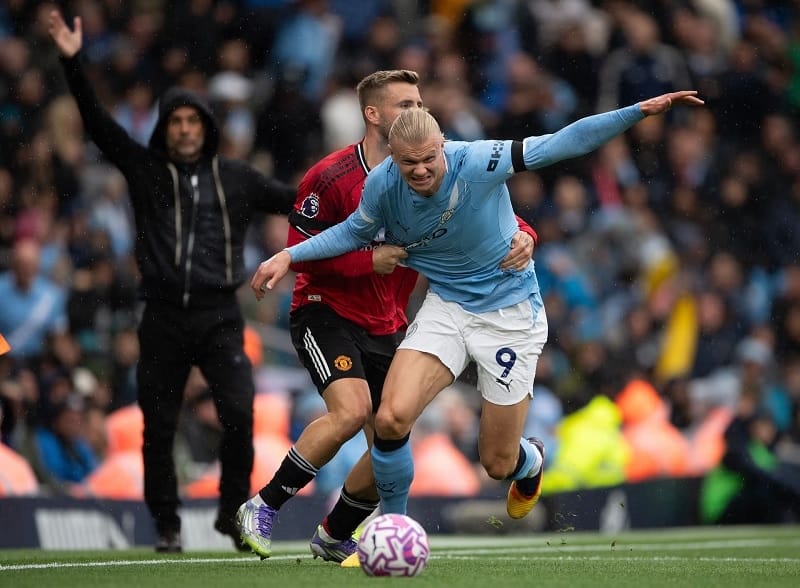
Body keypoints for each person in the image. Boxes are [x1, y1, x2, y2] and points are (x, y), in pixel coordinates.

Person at [249, 91, 705, 524]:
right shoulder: (383, 185)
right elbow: (350, 233)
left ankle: (530, 461)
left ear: (443, 145)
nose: (423, 170)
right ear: (393, 157)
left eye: (430, 158)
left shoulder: (479, 160)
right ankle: (392, 528)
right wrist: (290, 255)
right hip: (446, 306)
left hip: (509, 314)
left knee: (497, 461)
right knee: (389, 417)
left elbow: (561, 143)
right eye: (410, 163)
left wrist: (636, 112)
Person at [236, 69, 538, 562]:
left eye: (419, 103)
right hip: (324, 311)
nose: (415, 112)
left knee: (390, 440)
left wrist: (526, 233)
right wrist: (365, 261)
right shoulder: (330, 177)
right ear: (372, 114)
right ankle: (263, 507)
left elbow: (485, 212)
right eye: (404, 104)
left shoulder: (434, 164)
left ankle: (335, 534)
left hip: (389, 321)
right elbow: (298, 252)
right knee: (352, 410)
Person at [47, 10, 296, 553]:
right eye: (176, 120)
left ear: (206, 128)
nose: (185, 128)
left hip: (219, 317)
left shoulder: (236, 178)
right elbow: (97, 125)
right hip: (160, 315)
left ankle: (232, 513)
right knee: (156, 427)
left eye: (193, 120)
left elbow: (301, 201)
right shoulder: (145, 171)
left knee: (238, 413)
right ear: (165, 127)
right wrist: (72, 62)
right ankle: (166, 524)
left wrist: (363, 190)